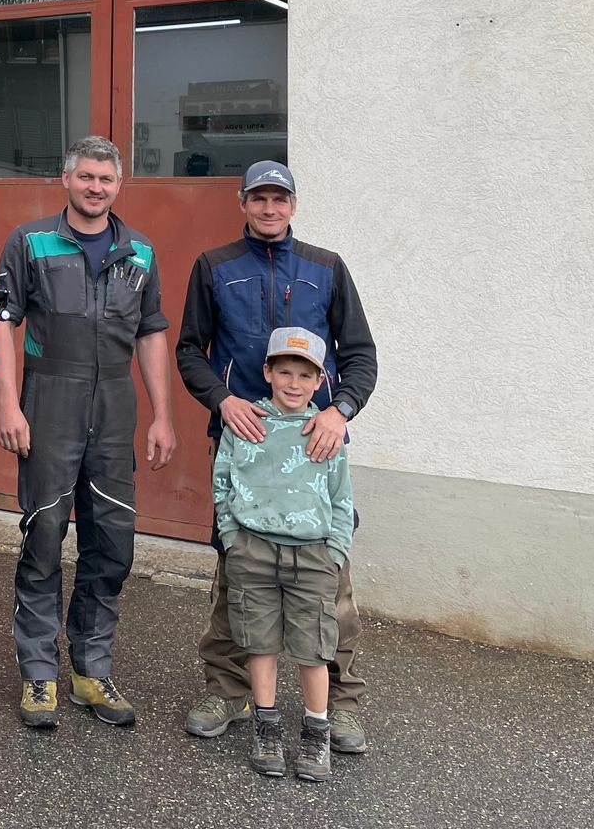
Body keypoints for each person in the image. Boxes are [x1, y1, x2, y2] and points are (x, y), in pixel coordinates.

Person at [175, 160, 378, 754]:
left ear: (294, 205)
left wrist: (339, 410)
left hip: (314, 450)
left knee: (330, 585)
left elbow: (361, 355)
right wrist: (222, 399)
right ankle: (227, 689)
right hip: (247, 446)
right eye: (258, 198)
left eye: (279, 199)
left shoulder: (327, 268)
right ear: (242, 202)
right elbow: (190, 350)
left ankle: (340, 704)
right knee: (236, 572)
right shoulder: (214, 267)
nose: (269, 209)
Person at [0, 136, 176, 729]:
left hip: (115, 404)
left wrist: (162, 415)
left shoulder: (140, 252)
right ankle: (39, 675)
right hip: (49, 398)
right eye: (87, 177)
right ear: (66, 178)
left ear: (119, 186)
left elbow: (151, 334)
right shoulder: (29, 242)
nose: (97, 188)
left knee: (113, 542)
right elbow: (6, 326)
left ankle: (90, 670)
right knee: (44, 534)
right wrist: (7, 406)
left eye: (107, 180)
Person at [213, 327, 354, 782]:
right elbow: (223, 482)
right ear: (268, 372)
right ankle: (266, 728)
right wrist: (232, 538)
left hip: (312, 555)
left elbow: (340, 497)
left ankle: (317, 733)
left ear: (319, 382)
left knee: (313, 648)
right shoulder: (248, 423)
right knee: (260, 643)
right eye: (285, 372)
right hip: (252, 550)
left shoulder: (325, 429)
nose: (294, 384)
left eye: (305, 376)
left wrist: (334, 550)